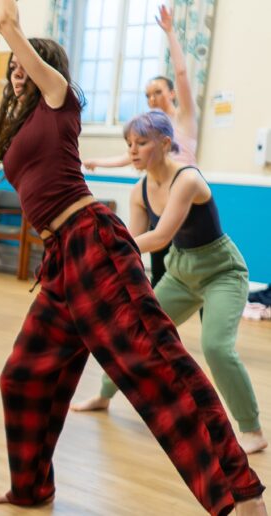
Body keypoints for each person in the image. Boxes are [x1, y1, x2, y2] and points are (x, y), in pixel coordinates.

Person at [0, 0, 265, 513]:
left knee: (155, 369)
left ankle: (241, 492)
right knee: (23, 374)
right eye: (12, 70)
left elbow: (13, 26)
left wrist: (5, 19)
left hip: (93, 242)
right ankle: (31, 488)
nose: (15, 75)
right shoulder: (11, 128)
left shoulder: (60, 101)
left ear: (45, 71)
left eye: (23, 67)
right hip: (60, 260)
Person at [70, 111, 267, 454]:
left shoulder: (187, 180)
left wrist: (108, 250)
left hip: (222, 272)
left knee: (217, 348)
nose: (132, 151)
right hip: (180, 273)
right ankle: (103, 394)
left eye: (141, 143)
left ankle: (252, 430)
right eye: (129, 144)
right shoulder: (138, 190)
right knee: (134, 334)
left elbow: (159, 237)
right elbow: (134, 242)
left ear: (164, 143)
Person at [82, 6, 197, 285]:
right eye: (148, 95)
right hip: (159, 197)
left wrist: (170, 33)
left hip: (184, 198)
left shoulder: (184, 119)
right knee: (160, 266)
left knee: (194, 270)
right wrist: (98, 162)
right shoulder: (149, 131)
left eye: (158, 91)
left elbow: (181, 73)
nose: (153, 98)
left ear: (171, 93)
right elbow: (131, 155)